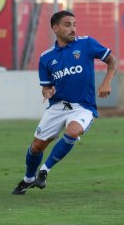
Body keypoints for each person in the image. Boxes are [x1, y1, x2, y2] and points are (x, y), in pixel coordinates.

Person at [12, 10, 118, 195]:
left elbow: (112, 60)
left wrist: (107, 81)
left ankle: (44, 170)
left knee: (73, 131)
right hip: (57, 106)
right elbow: (45, 88)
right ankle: (29, 178)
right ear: (55, 28)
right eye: (68, 25)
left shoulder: (86, 44)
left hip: (83, 106)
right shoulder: (46, 57)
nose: (73, 29)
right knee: (37, 147)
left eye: (74, 24)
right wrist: (48, 91)